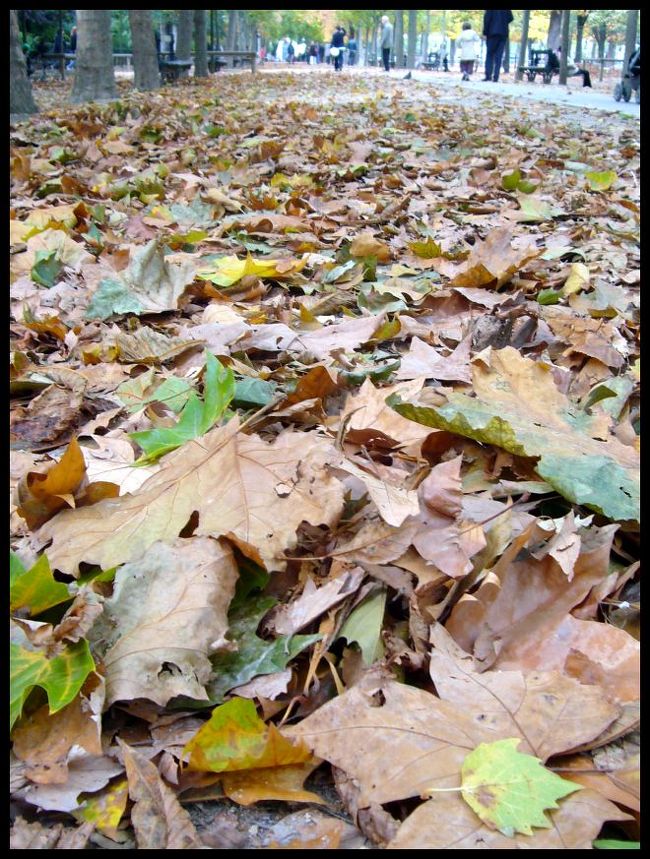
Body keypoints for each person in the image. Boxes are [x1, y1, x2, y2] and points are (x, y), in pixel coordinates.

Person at [482, 9, 513, 82]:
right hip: (503, 33)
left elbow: (487, 19)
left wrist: (485, 32)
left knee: (489, 55)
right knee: (499, 56)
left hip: (492, 33)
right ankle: (496, 77)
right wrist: (503, 22)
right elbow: (510, 18)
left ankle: (488, 75)